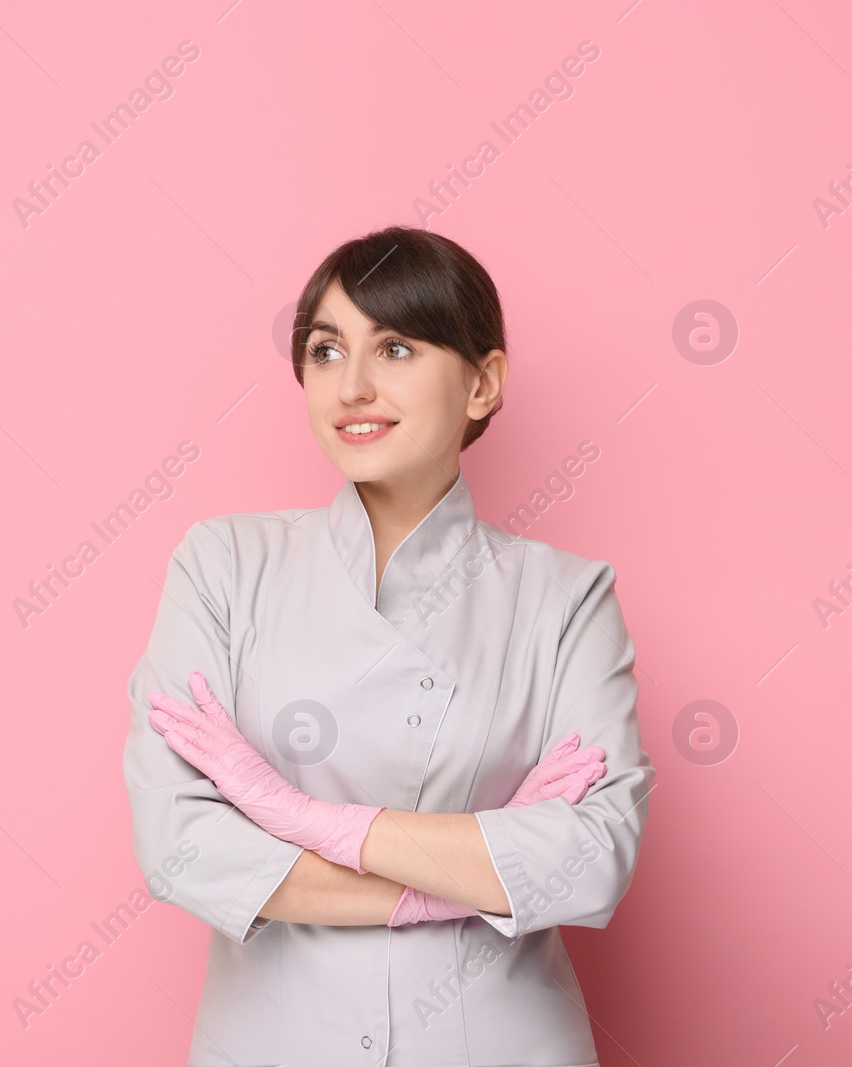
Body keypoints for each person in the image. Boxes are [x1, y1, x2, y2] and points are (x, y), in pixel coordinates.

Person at [121, 226, 654, 1066]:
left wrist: (301, 819)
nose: (352, 385)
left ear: (483, 383)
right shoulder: (223, 565)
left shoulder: (565, 598)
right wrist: (466, 874)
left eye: (396, 346)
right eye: (326, 350)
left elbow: (590, 862)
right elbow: (182, 847)